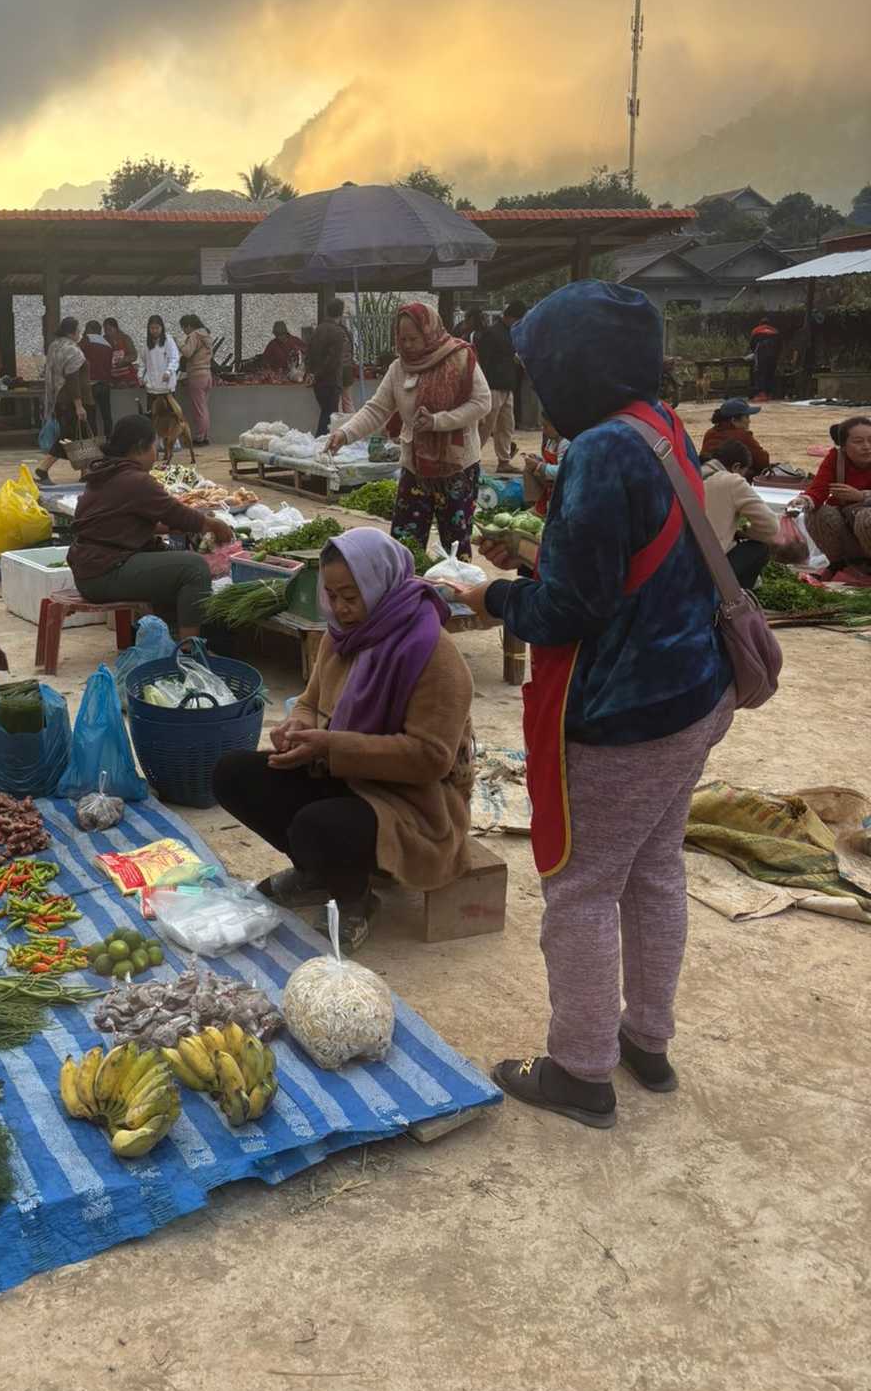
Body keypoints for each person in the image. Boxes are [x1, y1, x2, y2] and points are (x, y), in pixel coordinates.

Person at [449, 281, 733, 1131]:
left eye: (543, 365)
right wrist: (541, 547)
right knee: (654, 871)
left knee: (580, 887)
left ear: (577, 365)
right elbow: (628, 559)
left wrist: (491, 593)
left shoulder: (598, 451)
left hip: (626, 714)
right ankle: (646, 1038)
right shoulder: (658, 425)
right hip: (696, 693)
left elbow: (571, 609)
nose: (537, 382)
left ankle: (580, 1069)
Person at [211, 529, 474, 951]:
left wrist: (332, 747)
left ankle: (355, 898)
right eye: (331, 595)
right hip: (338, 770)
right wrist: (297, 727)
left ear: (382, 584)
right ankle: (317, 873)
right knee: (233, 774)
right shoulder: (340, 636)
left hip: (410, 799)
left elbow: (430, 759)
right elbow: (310, 702)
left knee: (320, 826)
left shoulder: (432, 653)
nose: (340, 608)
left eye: (351, 596)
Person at [327, 302, 490, 560]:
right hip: (416, 467)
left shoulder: (460, 358)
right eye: (402, 339)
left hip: (458, 466)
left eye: (413, 338)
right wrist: (344, 434)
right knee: (404, 546)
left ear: (430, 332)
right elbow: (377, 409)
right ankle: (405, 595)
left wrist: (439, 421)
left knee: (456, 548)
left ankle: (453, 598)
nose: (407, 345)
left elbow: (482, 403)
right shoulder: (398, 368)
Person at [68, 415, 235, 636]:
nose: (156, 453)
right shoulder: (135, 480)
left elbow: (117, 522)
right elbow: (174, 512)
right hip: (104, 574)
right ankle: (189, 650)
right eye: (154, 446)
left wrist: (167, 528)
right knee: (194, 567)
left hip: (88, 570)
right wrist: (211, 524)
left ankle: (170, 636)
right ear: (139, 448)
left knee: (170, 559)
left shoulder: (106, 472)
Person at [790, 416, 871, 574]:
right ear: (844, 446)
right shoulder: (836, 458)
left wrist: (862, 496)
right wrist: (803, 501)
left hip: (865, 519)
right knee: (816, 513)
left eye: (870, 440)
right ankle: (842, 565)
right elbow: (818, 489)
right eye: (858, 441)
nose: (867, 447)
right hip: (848, 525)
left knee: (867, 516)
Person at [700, 439, 779, 590]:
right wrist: (746, 533)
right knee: (759, 548)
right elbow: (771, 526)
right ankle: (735, 599)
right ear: (736, 467)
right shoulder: (731, 481)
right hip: (708, 569)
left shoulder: (690, 473)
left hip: (676, 562)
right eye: (744, 473)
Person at [36, 318, 92, 484]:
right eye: (78, 330)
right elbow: (73, 379)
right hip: (73, 400)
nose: (79, 333)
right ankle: (43, 468)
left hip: (60, 398)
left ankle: (85, 473)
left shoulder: (55, 346)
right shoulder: (72, 351)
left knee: (82, 438)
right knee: (69, 437)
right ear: (72, 331)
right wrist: (79, 405)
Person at [473, 300, 524, 468]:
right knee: (486, 427)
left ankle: (504, 460)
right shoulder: (492, 333)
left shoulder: (511, 332)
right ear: (510, 317)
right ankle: (472, 459)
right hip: (492, 386)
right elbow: (483, 362)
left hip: (507, 386)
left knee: (506, 426)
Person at [306, 299, 350, 436]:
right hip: (330, 380)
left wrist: (311, 373)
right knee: (329, 416)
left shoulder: (317, 330)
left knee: (326, 412)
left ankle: (321, 442)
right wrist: (318, 374)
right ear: (341, 313)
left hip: (318, 382)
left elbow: (309, 353)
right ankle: (320, 442)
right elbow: (333, 360)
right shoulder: (338, 332)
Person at [700, 398, 770, 476]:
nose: (749, 421)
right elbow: (763, 462)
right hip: (733, 482)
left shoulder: (710, 433)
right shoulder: (742, 436)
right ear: (733, 420)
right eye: (746, 417)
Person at [178, 313, 214, 446]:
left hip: (197, 375)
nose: (184, 331)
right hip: (207, 374)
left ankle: (199, 438)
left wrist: (180, 343)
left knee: (199, 409)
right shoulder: (206, 335)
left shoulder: (194, 335)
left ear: (188, 326)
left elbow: (188, 352)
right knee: (204, 407)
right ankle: (204, 436)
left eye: (183, 328)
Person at [141, 314, 182, 428]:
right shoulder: (146, 343)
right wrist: (141, 376)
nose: (154, 331)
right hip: (152, 386)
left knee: (170, 414)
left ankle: (172, 439)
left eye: (157, 328)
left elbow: (174, 358)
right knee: (153, 415)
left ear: (162, 328)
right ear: (148, 329)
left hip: (166, 386)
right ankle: (154, 441)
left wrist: (168, 371)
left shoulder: (168, 340)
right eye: (152, 328)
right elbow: (143, 362)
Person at [80, 321, 115, 439]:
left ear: (88, 329)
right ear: (100, 330)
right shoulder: (108, 344)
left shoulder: (85, 341)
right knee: (106, 414)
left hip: (90, 384)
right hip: (105, 384)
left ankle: (92, 441)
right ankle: (109, 438)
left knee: (91, 415)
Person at [749, 318, 782, 400]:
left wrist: (755, 353)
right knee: (770, 372)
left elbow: (752, 345)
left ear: (760, 324)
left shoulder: (756, 330)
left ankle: (762, 394)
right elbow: (780, 345)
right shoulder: (775, 331)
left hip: (761, 353)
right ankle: (770, 393)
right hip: (773, 354)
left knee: (760, 373)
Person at [103, 318, 138, 384]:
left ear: (116, 328)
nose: (107, 332)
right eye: (105, 330)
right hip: (112, 376)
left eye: (110, 330)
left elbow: (134, 355)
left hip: (126, 375)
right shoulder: (104, 340)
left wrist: (124, 360)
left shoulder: (125, 338)